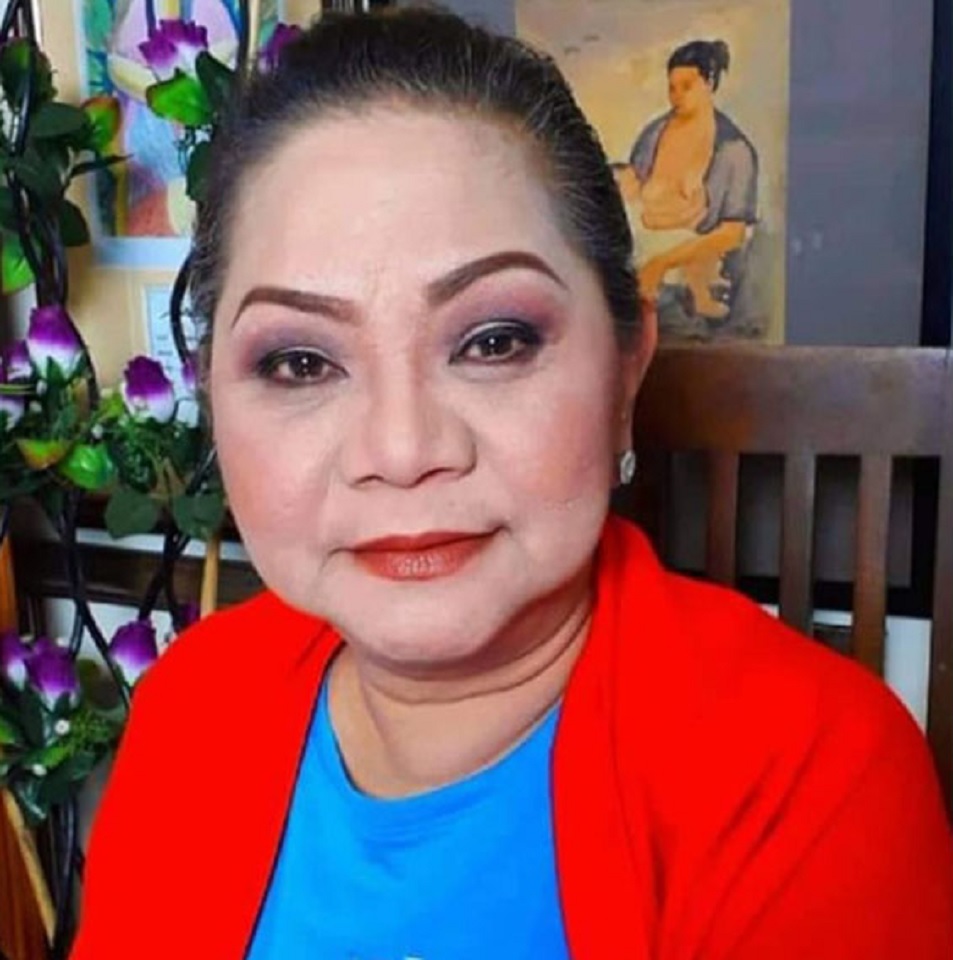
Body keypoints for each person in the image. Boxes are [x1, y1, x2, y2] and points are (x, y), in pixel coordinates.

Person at [71, 8, 953, 959]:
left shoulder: (811, 778)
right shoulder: (189, 709)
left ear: (624, 374)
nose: (402, 450)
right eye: (300, 362)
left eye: (493, 342)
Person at [615, 39, 758, 323]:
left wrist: (662, 262)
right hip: (642, 237)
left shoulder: (734, 151)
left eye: (686, 86)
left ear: (709, 83)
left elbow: (733, 232)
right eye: (672, 88)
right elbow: (630, 186)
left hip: (693, 252)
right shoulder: (654, 134)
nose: (676, 96)